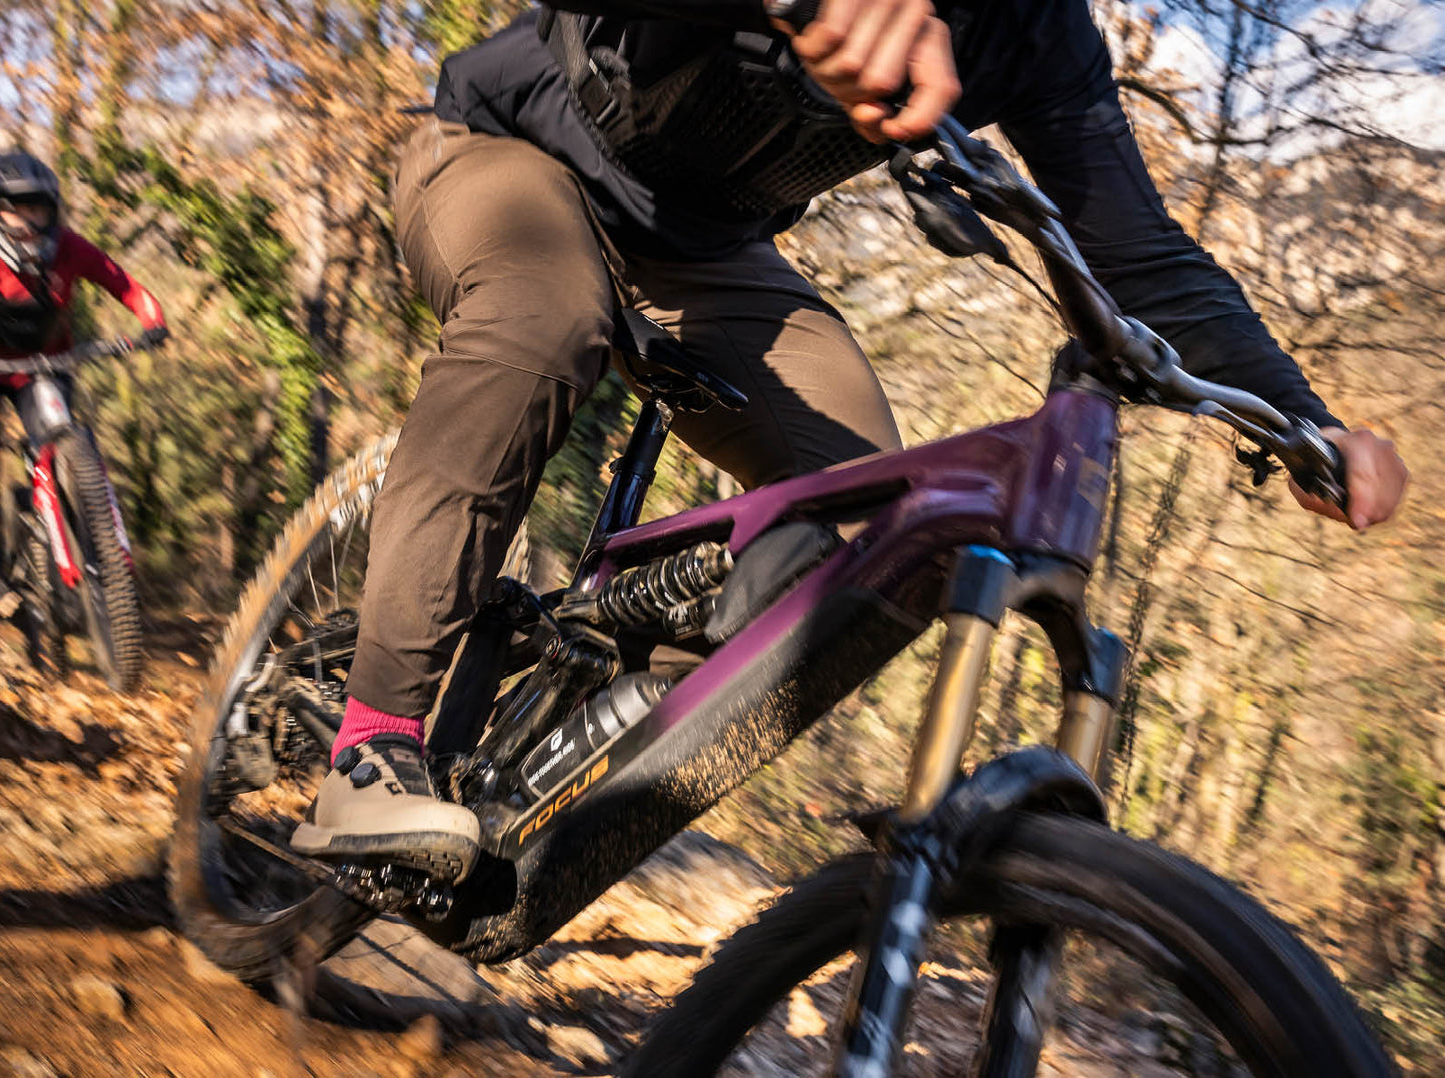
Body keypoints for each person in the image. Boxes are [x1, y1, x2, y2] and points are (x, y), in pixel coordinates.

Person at [289, 0, 1409, 877]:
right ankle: (373, 743)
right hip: (507, 156)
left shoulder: (1037, 30)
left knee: (870, 518)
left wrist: (1307, 421)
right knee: (546, 313)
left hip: (702, 250)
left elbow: (1142, 251)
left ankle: (571, 757)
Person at [0, 152, 168, 616]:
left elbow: (125, 285)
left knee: (69, 449)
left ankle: (100, 563)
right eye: (17, 210)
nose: (29, 222)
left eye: (39, 210)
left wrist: (152, 321)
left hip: (46, 368)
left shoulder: (69, 249)